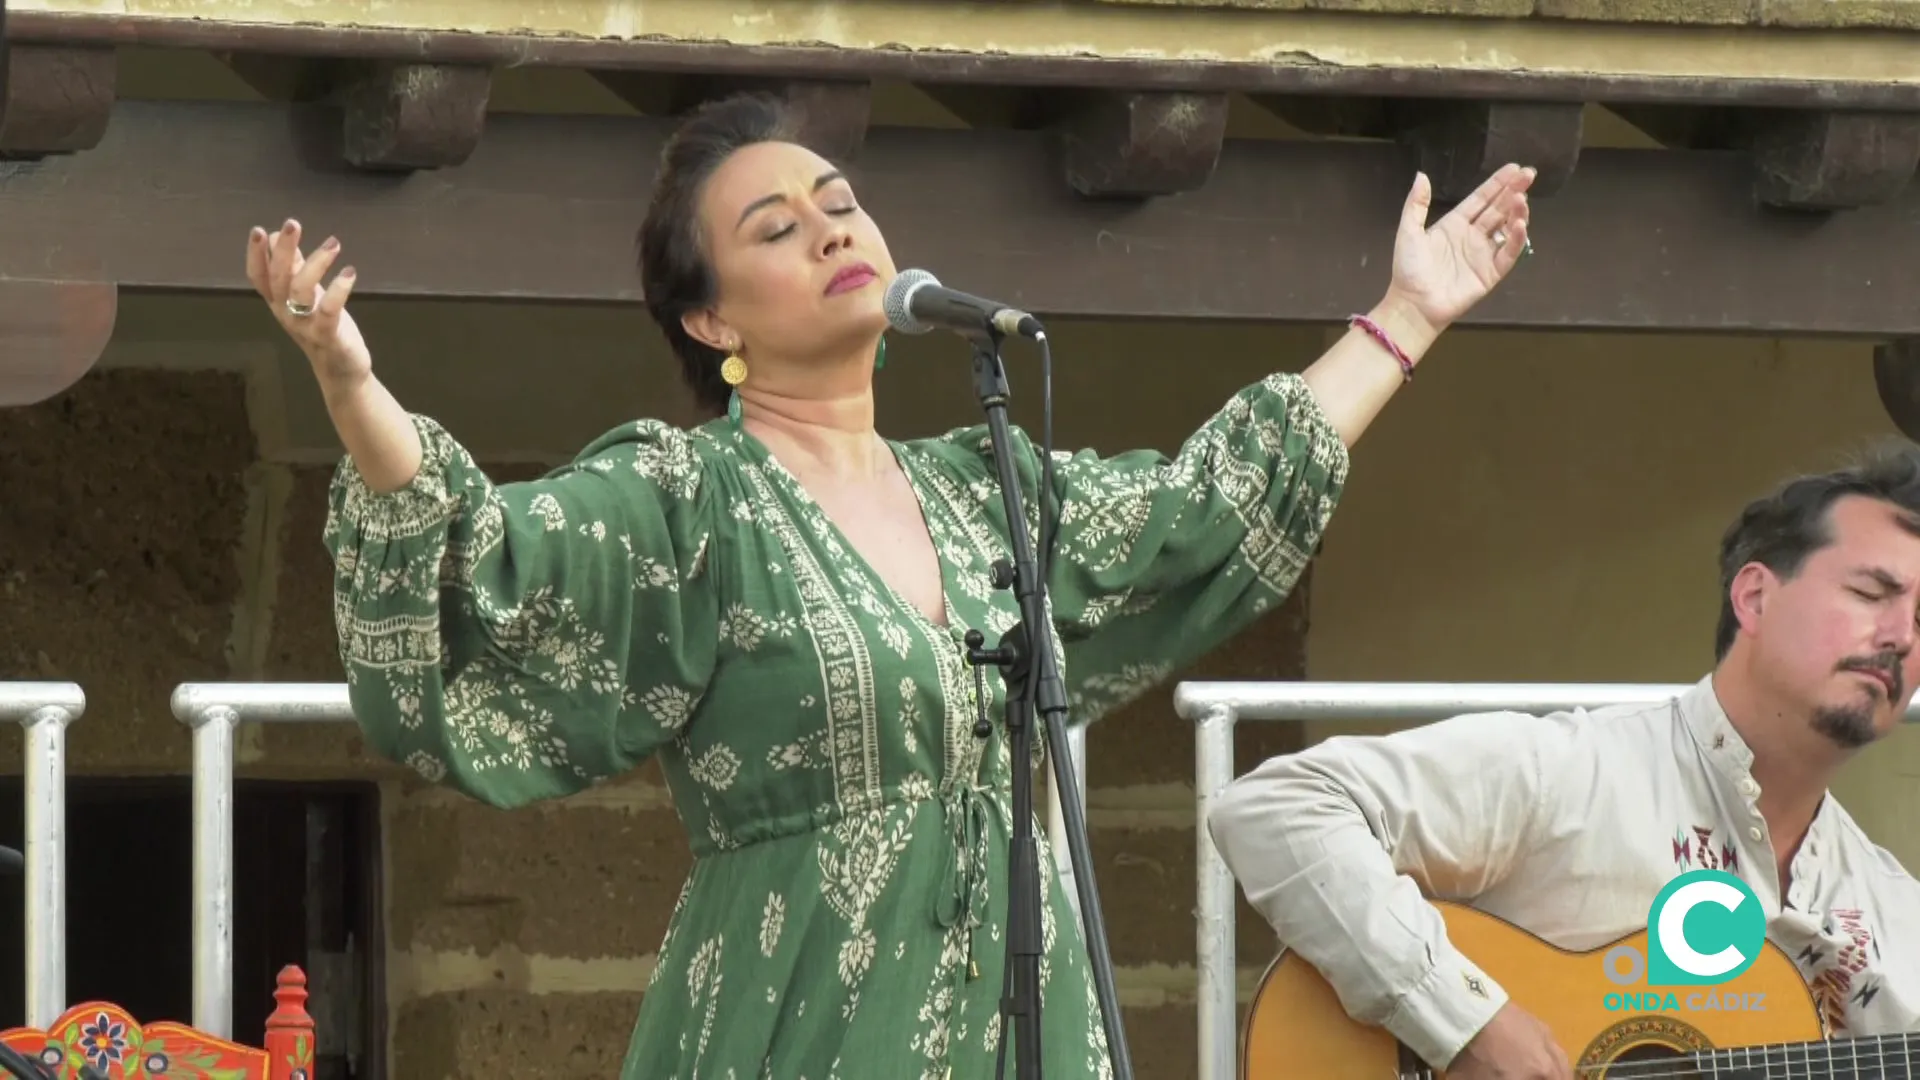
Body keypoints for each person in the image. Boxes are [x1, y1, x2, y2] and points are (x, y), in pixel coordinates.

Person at [241, 92, 1534, 1078]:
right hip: (802, 1011)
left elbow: (1210, 506)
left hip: (1028, 1012)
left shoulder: (990, 489)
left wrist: (1407, 318)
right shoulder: (691, 502)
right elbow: (492, 556)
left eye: (838, 202)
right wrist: (352, 383)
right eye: (775, 229)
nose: (831, 229)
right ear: (711, 321)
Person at [1209, 447, 1920, 1079]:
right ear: (1755, 596)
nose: (1899, 637)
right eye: (1870, 594)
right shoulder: (1573, 772)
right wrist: (1462, 1024)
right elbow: (1277, 807)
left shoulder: (1897, 919)